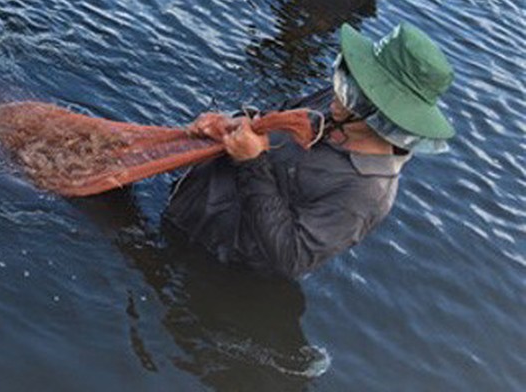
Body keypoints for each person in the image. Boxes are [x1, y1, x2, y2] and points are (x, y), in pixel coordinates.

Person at [164, 21, 455, 279]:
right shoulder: (340, 104)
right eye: (349, 78)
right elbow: (278, 117)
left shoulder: (365, 193)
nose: (336, 96)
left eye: (355, 93)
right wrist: (234, 122)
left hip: (210, 258)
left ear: (384, 114)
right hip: (188, 201)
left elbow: (291, 257)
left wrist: (253, 162)